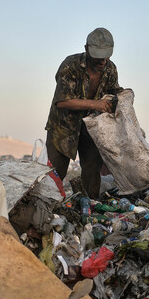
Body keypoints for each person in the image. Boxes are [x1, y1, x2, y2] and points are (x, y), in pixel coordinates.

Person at [44, 27, 123, 199]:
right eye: (98, 56)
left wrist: (123, 97)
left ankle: (89, 209)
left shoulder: (110, 70)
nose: (102, 61)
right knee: (53, 175)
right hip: (63, 129)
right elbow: (62, 101)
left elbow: (113, 91)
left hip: (91, 128)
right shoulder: (70, 66)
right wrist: (97, 104)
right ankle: (46, 208)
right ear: (86, 49)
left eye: (106, 56)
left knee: (92, 171)